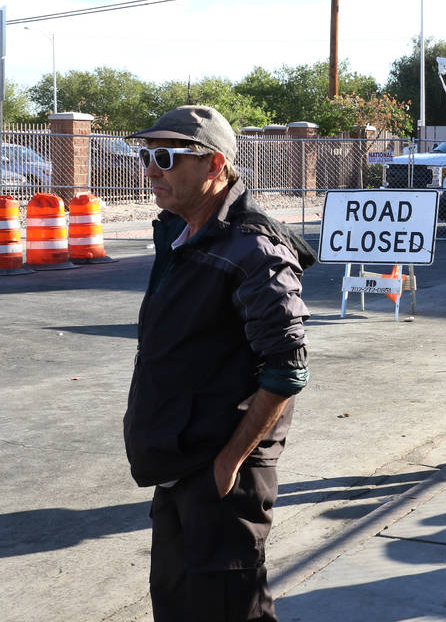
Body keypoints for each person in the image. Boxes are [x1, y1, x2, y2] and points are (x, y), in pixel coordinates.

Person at [123, 105, 315, 622]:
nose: (150, 170)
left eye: (164, 157)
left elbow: (287, 366)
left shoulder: (254, 249)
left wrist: (229, 462)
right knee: (176, 598)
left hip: (222, 467)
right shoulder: (179, 232)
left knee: (230, 608)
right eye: (145, 156)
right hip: (178, 457)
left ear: (214, 166)